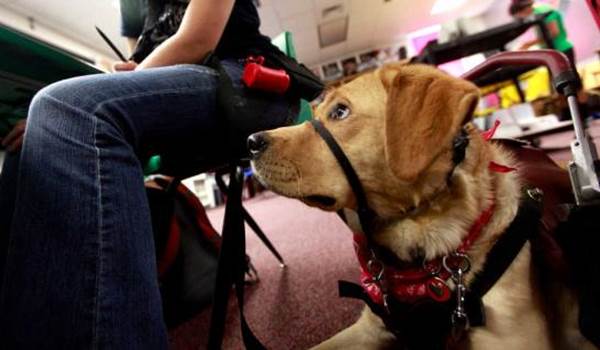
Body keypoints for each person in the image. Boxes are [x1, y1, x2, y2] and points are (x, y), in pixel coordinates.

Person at [0, 0, 303, 348]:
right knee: (30, 146)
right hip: (182, 81)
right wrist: (51, 124)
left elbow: (197, 40)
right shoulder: (131, 5)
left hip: (241, 75)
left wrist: (65, 112)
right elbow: (139, 62)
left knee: (66, 110)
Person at [510, 0, 577, 69]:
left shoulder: (543, 11)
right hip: (554, 52)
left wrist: (528, 44)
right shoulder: (536, 13)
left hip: (561, 50)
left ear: (524, 9)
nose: (522, 19)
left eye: (520, 16)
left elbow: (554, 32)